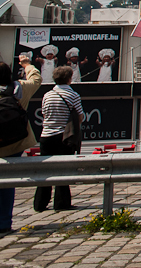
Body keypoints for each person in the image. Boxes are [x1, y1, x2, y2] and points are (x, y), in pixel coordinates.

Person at [33, 66, 84, 212]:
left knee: (45, 171)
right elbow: (80, 116)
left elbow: (44, 114)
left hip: (46, 136)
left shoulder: (47, 95)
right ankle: (62, 202)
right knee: (63, 170)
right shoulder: (73, 95)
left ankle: (40, 203)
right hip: (63, 136)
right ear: (69, 78)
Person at [1, 56, 41, 234]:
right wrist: (26, 64)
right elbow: (36, 79)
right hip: (16, 142)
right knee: (8, 184)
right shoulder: (20, 88)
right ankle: (4, 223)